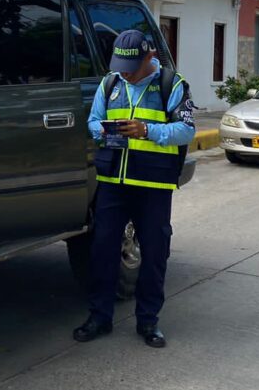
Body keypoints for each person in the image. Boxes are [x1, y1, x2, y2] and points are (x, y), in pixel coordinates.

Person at [73, 30, 196, 348]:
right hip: (112, 182)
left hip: (153, 184)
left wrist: (147, 131)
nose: (124, 72)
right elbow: (93, 121)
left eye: (131, 66)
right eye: (120, 65)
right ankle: (99, 316)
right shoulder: (110, 83)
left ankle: (148, 321)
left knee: (154, 254)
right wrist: (102, 131)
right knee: (102, 252)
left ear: (149, 57)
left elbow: (185, 130)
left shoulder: (171, 84)